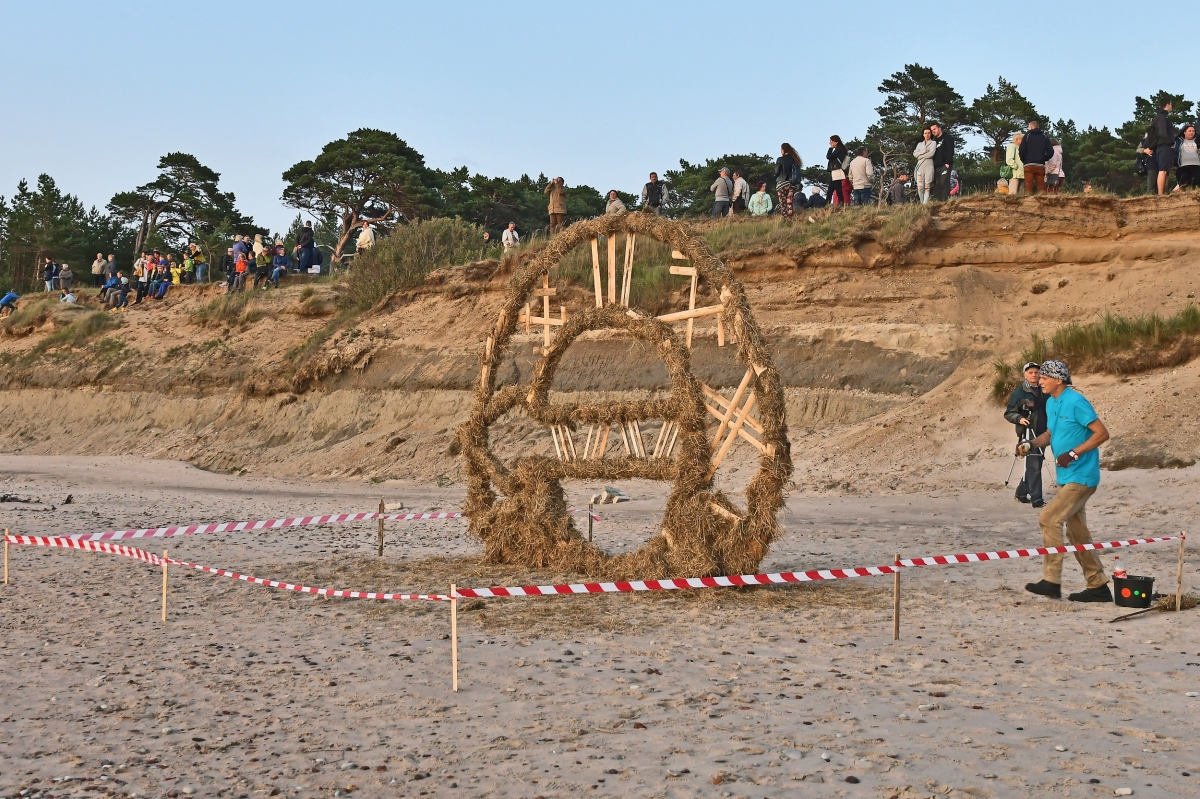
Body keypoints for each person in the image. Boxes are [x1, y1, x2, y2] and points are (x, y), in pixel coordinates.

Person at [1019, 359, 1112, 603]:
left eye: (1044, 378)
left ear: (1058, 379)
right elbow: (1051, 434)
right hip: (1066, 478)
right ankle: (1098, 585)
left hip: (1082, 477)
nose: (1040, 381)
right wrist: (1030, 444)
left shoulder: (1076, 401)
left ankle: (1051, 581)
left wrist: (1073, 454)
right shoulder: (1051, 402)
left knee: (1048, 518)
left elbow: (1102, 433)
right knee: (1077, 534)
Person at [1005, 362, 1047, 507]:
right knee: (1034, 465)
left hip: (1044, 432)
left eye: (1036, 372)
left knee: (1036, 464)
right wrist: (1019, 419)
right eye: (1030, 372)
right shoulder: (1019, 393)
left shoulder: (1045, 389)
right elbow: (1009, 413)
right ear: (1025, 375)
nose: (1034, 375)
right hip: (1029, 432)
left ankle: (1021, 492)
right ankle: (1037, 499)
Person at [1145, 99, 1175, 195]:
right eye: (1171, 104)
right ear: (1167, 104)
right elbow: (1162, 133)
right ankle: (1161, 194)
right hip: (1164, 146)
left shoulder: (1160, 117)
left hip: (1162, 146)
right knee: (1163, 171)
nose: (1172, 106)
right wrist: (1170, 143)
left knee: (1165, 170)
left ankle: (1161, 193)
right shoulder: (1162, 117)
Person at [1018, 120, 1054, 195]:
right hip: (1040, 164)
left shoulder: (1027, 136)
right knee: (1041, 187)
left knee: (1028, 186)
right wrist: (1044, 158)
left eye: (1028, 127)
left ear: (1031, 127)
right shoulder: (1044, 136)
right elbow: (1051, 151)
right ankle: (1042, 199)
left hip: (1029, 164)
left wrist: (1024, 160)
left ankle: (1028, 199)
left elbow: (1022, 150)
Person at [774, 143, 803, 220]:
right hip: (791, 184)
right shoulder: (795, 160)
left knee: (783, 203)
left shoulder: (780, 159)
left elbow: (776, 172)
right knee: (789, 202)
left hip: (782, 184)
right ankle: (790, 218)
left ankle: (785, 219)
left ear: (783, 149)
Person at [929, 122, 955, 201]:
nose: (933, 131)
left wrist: (947, 162)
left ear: (939, 128)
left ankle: (945, 201)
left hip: (945, 164)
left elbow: (950, 150)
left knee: (944, 183)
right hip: (936, 166)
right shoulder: (933, 142)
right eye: (932, 130)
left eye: (934, 129)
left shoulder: (947, 138)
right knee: (937, 184)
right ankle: (939, 202)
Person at [913, 129, 936, 203]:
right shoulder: (919, 144)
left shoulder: (933, 143)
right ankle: (922, 202)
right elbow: (915, 154)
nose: (927, 135)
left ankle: (925, 204)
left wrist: (920, 156)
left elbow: (931, 154)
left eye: (929, 133)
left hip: (929, 166)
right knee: (920, 187)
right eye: (925, 133)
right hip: (920, 166)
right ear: (923, 134)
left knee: (927, 187)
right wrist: (924, 151)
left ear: (931, 134)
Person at [825, 136, 849, 207]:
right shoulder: (840, 149)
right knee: (831, 189)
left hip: (836, 171)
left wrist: (830, 148)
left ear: (836, 142)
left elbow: (828, 156)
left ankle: (839, 203)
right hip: (835, 171)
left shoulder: (839, 149)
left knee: (837, 189)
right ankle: (828, 203)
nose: (830, 143)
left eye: (831, 141)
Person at [1175, 124, 1200, 189]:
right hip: (1183, 166)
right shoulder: (1178, 141)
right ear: (1184, 132)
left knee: (1196, 185)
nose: (1192, 132)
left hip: (1196, 166)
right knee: (1184, 185)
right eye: (1190, 131)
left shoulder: (1197, 141)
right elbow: (1175, 152)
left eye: (1193, 131)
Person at [1005, 132, 1025, 197]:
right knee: (1013, 193)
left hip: (1022, 173)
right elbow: (1009, 159)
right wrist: (1016, 167)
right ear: (1016, 139)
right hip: (1015, 173)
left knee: (1022, 194)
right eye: (1022, 139)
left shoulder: (1021, 148)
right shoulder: (1011, 146)